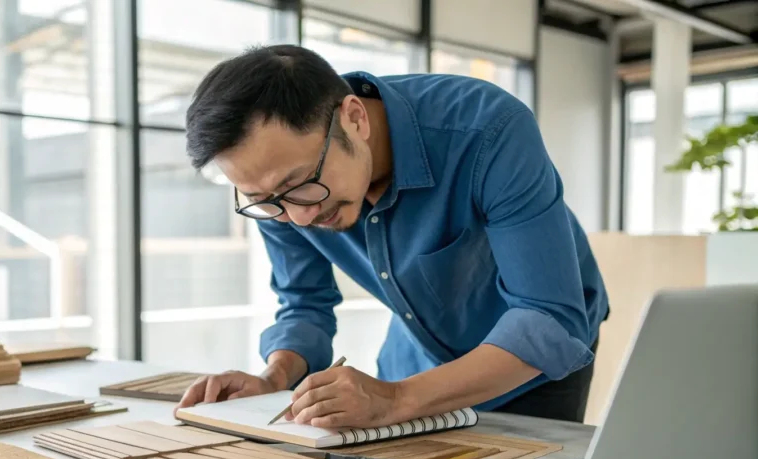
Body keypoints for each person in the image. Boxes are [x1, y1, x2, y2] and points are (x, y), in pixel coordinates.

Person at [176, 45, 608, 426]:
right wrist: (274, 379)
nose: (299, 217)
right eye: (264, 199)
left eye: (301, 184)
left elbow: (547, 315)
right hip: (414, 358)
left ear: (355, 118)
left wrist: (395, 400)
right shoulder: (281, 196)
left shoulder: (487, 129)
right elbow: (304, 303)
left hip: (531, 365)